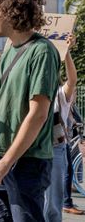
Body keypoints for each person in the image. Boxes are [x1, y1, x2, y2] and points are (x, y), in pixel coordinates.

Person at [0, 0, 60, 221]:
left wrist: (7, 162)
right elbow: (0, 98)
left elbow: (38, 114)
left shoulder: (42, 51)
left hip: (26, 163)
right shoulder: (10, 50)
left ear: (11, 11)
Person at [44, 34, 78, 221]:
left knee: (53, 201)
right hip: (34, 148)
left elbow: (72, 80)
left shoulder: (59, 94)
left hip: (55, 148)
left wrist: (66, 54)